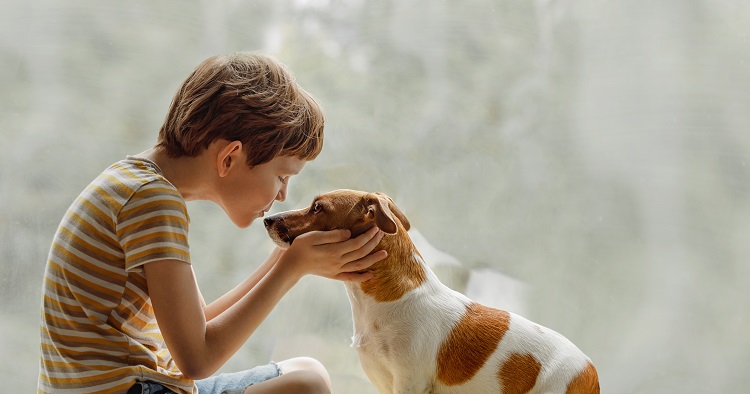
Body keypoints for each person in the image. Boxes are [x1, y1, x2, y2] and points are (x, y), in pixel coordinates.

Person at [38, 52, 387, 394]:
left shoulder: (135, 185)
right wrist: (291, 269)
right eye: (282, 176)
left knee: (306, 373)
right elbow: (197, 359)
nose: (282, 195)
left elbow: (199, 324)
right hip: (132, 388)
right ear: (230, 157)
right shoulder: (153, 203)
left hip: (135, 383)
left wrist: (284, 258)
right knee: (307, 385)